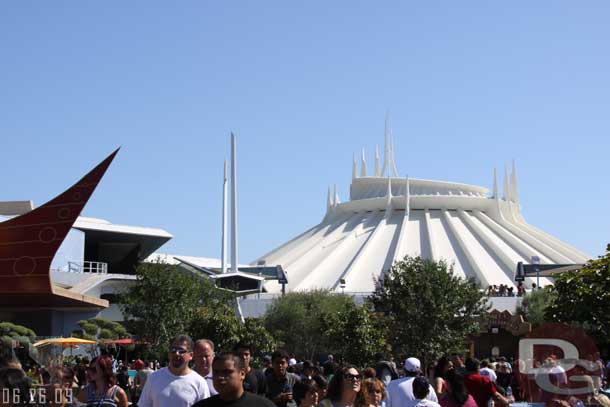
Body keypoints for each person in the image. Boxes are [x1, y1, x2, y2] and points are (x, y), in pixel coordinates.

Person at [137, 334, 210, 407]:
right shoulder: (154, 378)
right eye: (173, 350)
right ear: (169, 354)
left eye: (181, 351)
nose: (176, 353)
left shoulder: (199, 383)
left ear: (191, 355)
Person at [192, 352, 275, 407]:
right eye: (216, 372)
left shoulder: (263, 405)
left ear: (242, 374)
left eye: (227, 372)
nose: (220, 377)